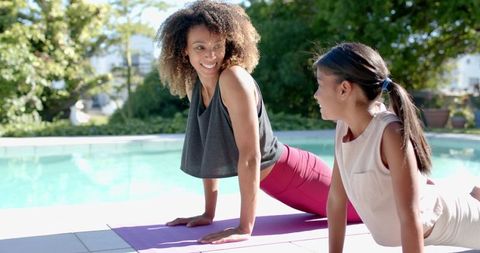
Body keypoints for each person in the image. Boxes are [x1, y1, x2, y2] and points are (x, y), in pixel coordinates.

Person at [156, 0, 360, 244]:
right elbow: (209, 148)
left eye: (217, 45)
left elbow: (251, 156)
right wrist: (208, 214)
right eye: (200, 47)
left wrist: (244, 227)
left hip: (297, 176)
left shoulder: (233, 79)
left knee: (365, 211)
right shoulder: (195, 86)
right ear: (184, 50)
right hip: (279, 184)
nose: (210, 55)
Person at [313, 42, 480, 252]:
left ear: (344, 89)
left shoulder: (389, 133)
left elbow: (410, 217)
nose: (316, 95)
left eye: (320, 84)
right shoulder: (343, 126)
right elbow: (337, 199)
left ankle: (474, 199)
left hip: (448, 219)